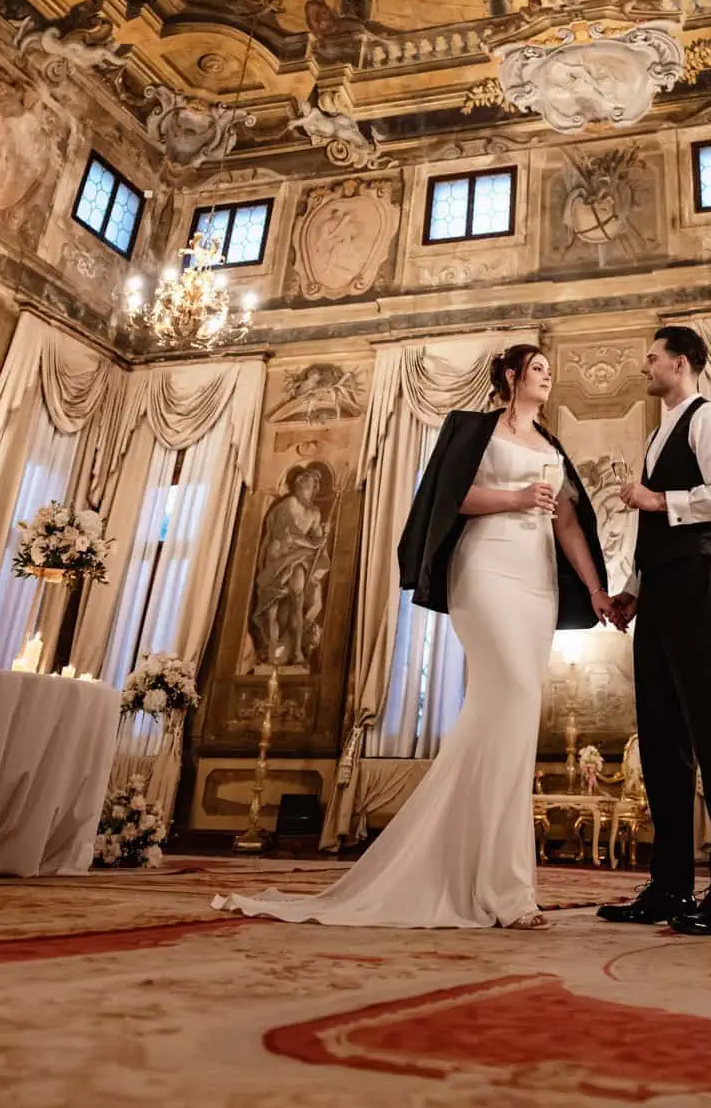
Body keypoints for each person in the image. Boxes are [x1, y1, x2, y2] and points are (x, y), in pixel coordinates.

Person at [214, 344, 611, 929]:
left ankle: (474, 870)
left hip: (538, 581)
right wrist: (516, 497)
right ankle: (506, 889)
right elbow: (447, 500)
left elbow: (569, 524)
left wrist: (597, 590)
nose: (548, 378)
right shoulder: (471, 427)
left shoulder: (552, 447)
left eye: (551, 371)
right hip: (485, 572)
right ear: (509, 376)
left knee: (509, 720)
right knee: (516, 700)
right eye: (537, 369)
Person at [597, 325, 711, 937]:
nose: (645, 364)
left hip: (696, 585)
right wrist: (632, 593)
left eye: (654, 356)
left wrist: (660, 500)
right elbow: (652, 529)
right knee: (661, 739)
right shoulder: (659, 429)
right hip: (661, 592)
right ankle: (668, 886)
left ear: (683, 363)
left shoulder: (708, 419)